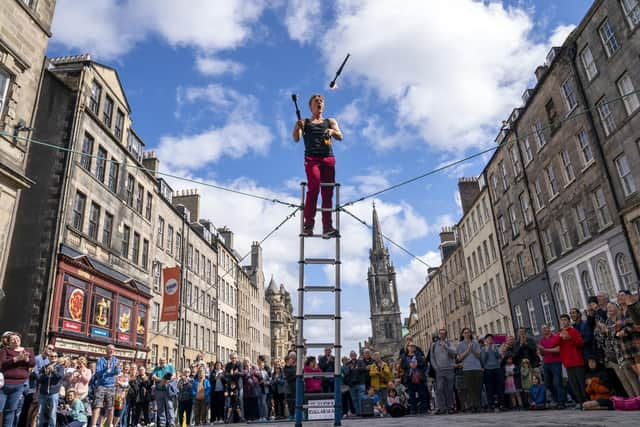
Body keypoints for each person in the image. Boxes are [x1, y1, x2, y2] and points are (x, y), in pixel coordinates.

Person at [292, 93, 343, 239]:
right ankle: (309, 226)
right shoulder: (305, 122)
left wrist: (332, 131)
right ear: (311, 106)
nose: (319, 102)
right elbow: (296, 138)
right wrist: (297, 127)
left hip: (328, 159)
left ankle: (327, 227)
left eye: (321, 101)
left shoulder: (330, 121)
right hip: (312, 159)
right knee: (314, 187)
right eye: (316, 101)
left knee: (328, 193)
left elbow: (340, 136)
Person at [595, 302, 640, 397]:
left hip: (625, 350)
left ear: (617, 307)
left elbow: (623, 332)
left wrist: (611, 330)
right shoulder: (607, 321)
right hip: (614, 354)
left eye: (611, 306)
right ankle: (632, 400)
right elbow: (604, 337)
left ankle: (638, 397)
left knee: (632, 377)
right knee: (623, 379)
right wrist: (603, 331)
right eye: (608, 308)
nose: (609, 309)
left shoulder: (621, 318)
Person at [0, 332, 36, 427]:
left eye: (17, 338)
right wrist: (16, 358)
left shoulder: (27, 350)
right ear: (9, 342)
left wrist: (26, 359)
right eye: (13, 339)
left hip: (18, 385)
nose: (16, 340)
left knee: (10, 410)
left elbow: (33, 363)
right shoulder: (4, 350)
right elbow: (2, 364)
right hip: (3, 385)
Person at [553, 314, 587, 409]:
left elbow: (580, 343)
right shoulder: (560, 333)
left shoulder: (574, 331)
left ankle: (586, 401)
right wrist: (560, 336)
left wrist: (570, 338)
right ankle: (580, 402)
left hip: (577, 361)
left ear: (568, 321)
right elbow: (554, 343)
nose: (563, 322)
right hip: (568, 363)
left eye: (565, 320)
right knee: (574, 384)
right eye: (561, 320)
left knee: (581, 383)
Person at [537, 324, 566, 408]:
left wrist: (545, 350)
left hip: (556, 362)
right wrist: (540, 350)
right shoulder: (541, 340)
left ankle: (561, 401)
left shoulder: (555, 337)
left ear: (549, 328)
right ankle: (556, 399)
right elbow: (542, 353)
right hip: (546, 363)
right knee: (548, 383)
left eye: (546, 328)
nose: (544, 330)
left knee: (557, 382)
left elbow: (558, 350)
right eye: (543, 329)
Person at [91, 344, 120, 427]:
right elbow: (97, 374)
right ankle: (93, 425)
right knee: (97, 406)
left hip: (111, 386)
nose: (111, 351)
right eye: (109, 349)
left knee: (110, 407)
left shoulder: (116, 360)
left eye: (112, 350)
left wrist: (116, 368)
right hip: (101, 386)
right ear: (106, 350)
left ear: (114, 351)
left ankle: (109, 424)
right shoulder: (100, 360)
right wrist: (105, 369)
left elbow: (117, 372)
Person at [430, 329, 457, 414]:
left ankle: (450, 407)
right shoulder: (434, 345)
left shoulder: (449, 343)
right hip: (439, 370)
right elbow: (432, 357)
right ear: (439, 335)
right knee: (439, 389)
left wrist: (446, 347)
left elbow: (454, 353)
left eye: (444, 334)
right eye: (440, 334)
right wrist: (436, 367)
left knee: (449, 389)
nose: (442, 335)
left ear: (446, 335)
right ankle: (442, 407)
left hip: (449, 369)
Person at [457, 328, 483, 412]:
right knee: (470, 388)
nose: (467, 334)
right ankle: (474, 406)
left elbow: (479, 356)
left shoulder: (475, 343)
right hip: (467, 369)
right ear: (462, 334)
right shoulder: (460, 344)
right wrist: (468, 350)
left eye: (468, 332)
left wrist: (473, 350)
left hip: (477, 368)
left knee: (478, 388)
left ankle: (478, 406)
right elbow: (460, 358)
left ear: (470, 334)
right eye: (465, 333)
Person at [36, 351, 64, 427]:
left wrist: (53, 371)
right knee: (39, 412)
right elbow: (39, 379)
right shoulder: (44, 367)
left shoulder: (60, 366)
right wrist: (46, 373)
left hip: (54, 392)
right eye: (52, 356)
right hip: (43, 392)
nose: (53, 358)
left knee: (52, 413)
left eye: (55, 356)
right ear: (49, 357)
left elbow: (60, 376)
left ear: (57, 358)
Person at [481, 333, 503, 411]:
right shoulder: (483, 349)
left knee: (499, 386)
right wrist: (486, 352)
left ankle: (501, 404)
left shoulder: (496, 347)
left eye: (491, 338)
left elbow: (500, 357)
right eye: (488, 339)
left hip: (497, 368)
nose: (490, 340)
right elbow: (483, 361)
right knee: (489, 387)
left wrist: (495, 351)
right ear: (485, 340)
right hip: (488, 369)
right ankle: (491, 404)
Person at [150, 357, 175, 427]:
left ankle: (171, 423)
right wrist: (162, 380)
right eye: (160, 360)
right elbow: (153, 377)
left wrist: (166, 381)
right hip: (158, 391)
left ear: (166, 361)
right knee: (160, 408)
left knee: (170, 407)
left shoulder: (170, 367)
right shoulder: (156, 368)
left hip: (168, 390)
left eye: (163, 360)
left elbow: (173, 376)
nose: (162, 362)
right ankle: (162, 423)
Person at [343, 351, 367, 416]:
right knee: (354, 400)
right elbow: (346, 372)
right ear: (350, 356)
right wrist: (351, 369)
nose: (353, 356)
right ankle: (358, 413)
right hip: (351, 385)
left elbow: (365, 369)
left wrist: (357, 368)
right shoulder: (348, 364)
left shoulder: (360, 362)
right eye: (351, 355)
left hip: (360, 383)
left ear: (356, 355)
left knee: (361, 398)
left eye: (354, 354)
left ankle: (363, 412)